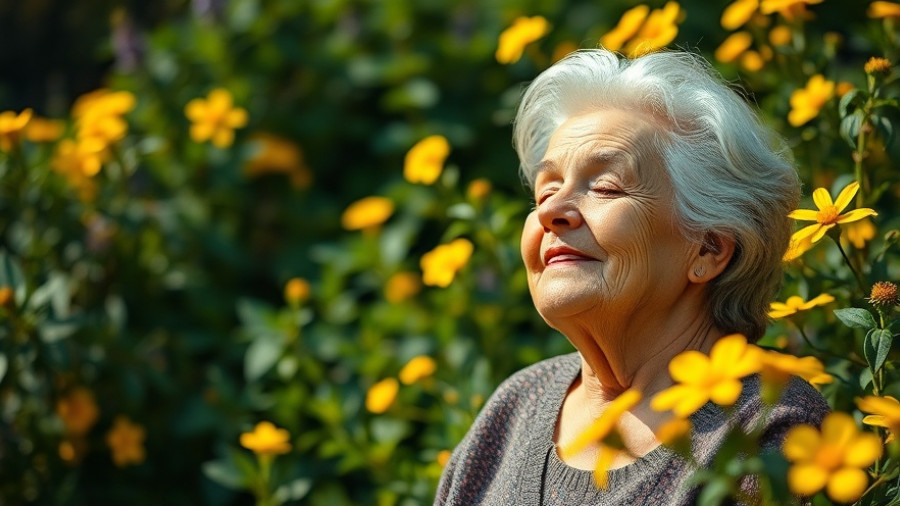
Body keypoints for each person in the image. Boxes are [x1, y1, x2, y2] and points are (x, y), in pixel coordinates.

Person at [434, 49, 830, 505]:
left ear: (708, 249)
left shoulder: (766, 431)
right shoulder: (515, 409)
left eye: (605, 187)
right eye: (545, 190)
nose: (551, 211)